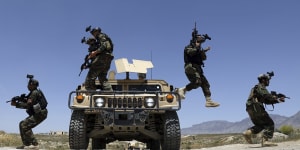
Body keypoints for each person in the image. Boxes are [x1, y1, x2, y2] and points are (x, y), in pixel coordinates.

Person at [177, 30, 220, 108]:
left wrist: (203, 51)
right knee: (197, 82)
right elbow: (191, 52)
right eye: (199, 38)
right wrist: (197, 47)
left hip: (198, 68)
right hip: (190, 67)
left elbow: (203, 58)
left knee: (205, 83)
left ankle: (208, 101)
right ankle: (182, 89)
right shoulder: (188, 47)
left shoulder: (199, 49)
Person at [243, 72, 286, 147]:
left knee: (261, 125)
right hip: (256, 107)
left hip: (250, 108)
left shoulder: (255, 88)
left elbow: (266, 101)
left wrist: (278, 100)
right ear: (263, 80)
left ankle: (248, 132)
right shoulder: (261, 87)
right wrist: (276, 96)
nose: (268, 82)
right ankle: (265, 141)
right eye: (267, 80)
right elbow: (267, 97)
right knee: (270, 123)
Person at [10, 75, 48, 149]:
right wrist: (21, 99)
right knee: (22, 124)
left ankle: (35, 144)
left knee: (24, 125)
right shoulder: (32, 93)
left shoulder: (34, 93)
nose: (27, 86)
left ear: (32, 85)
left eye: (29, 84)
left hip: (41, 113)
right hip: (38, 113)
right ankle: (26, 144)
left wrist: (16, 104)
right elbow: (29, 101)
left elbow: (28, 105)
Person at [83, 27, 114, 91]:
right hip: (107, 59)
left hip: (102, 57)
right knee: (102, 78)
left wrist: (95, 52)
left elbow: (104, 46)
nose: (93, 34)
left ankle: (92, 96)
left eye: (93, 32)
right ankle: (110, 95)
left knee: (89, 80)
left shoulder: (100, 36)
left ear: (97, 31)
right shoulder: (101, 38)